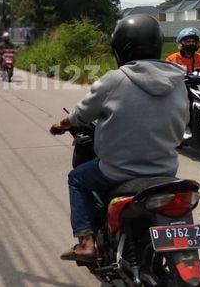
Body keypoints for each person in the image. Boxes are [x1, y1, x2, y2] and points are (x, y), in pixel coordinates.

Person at [50, 15, 189, 262]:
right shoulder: (178, 79)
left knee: (77, 179)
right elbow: (181, 126)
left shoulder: (115, 79)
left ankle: (85, 242)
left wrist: (62, 124)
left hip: (118, 170)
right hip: (166, 170)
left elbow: (81, 114)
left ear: (120, 48)